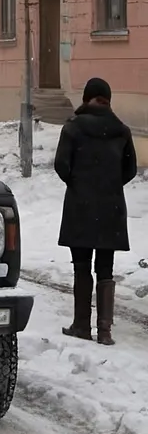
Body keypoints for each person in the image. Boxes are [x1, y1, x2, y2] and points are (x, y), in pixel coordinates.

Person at [54, 77, 137, 346]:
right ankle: (104, 331)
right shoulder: (122, 130)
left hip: (80, 206)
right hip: (110, 206)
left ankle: (81, 325)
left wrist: (79, 184)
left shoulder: (73, 128)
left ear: (86, 98)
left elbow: (61, 165)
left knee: (81, 266)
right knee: (105, 268)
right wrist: (109, 185)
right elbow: (130, 170)